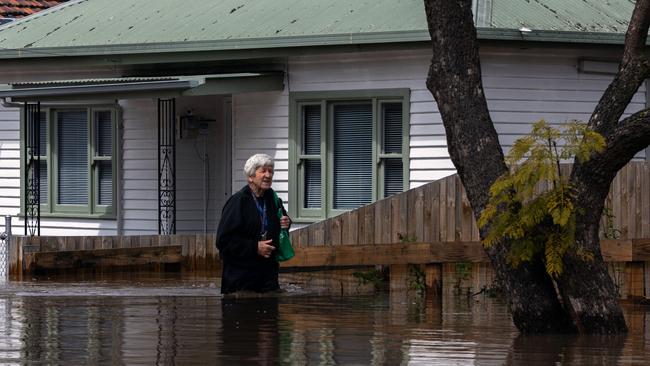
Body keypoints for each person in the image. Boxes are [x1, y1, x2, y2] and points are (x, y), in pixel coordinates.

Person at [216, 153, 291, 294]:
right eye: (263, 171)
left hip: (268, 279)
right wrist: (254, 247)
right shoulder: (238, 202)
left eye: (270, 171)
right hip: (241, 282)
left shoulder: (272, 199)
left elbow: (281, 226)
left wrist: (285, 223)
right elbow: (223, 241)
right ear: (250, 177)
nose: (268, 175)